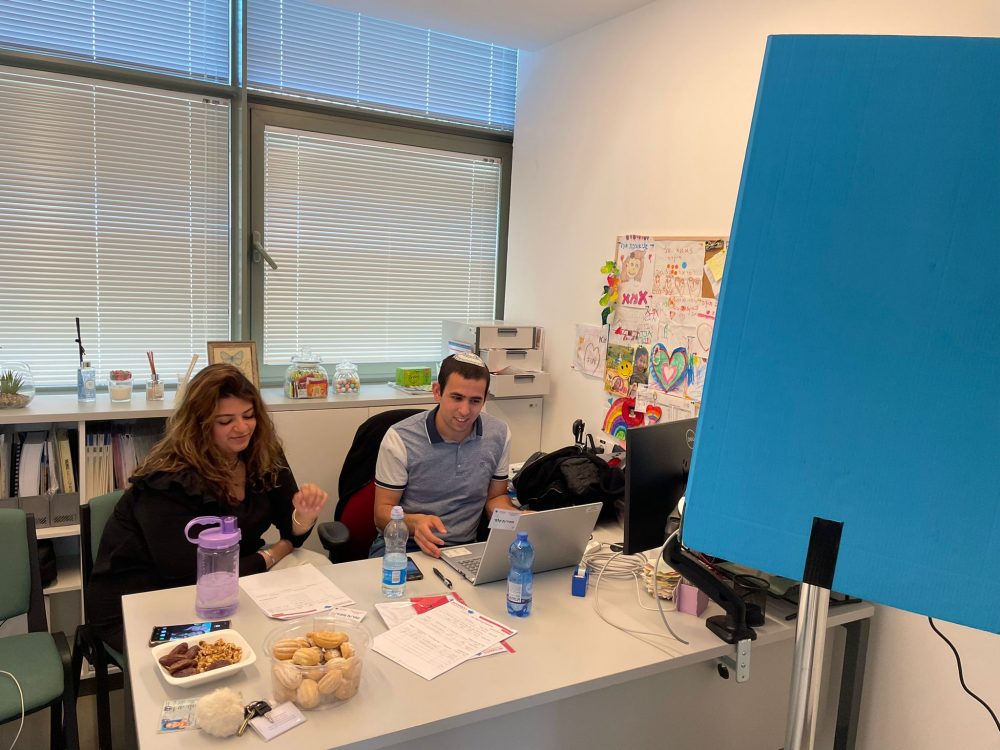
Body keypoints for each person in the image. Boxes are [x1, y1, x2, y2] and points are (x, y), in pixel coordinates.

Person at [85, 364, 329, 652]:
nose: (242, 428)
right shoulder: (169, 478)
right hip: (149, 596)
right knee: (235, 648)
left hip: (232, 578)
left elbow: (291, 533)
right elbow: (186, 573)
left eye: (248, 416)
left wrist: (302, 518)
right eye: (226, 421)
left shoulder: (262, 453)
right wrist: (274, 552)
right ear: (200, 424)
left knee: (314, 582)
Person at [370, 353, 517, 558]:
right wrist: (415, 523)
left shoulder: (499, 434)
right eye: (457, 398)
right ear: (437, 392)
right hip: (404, 545)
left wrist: (518, 519)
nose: (464, 410)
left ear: (485, 399)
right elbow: (381, 514)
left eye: (475, 401)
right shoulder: (400, 438)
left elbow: (495, 498)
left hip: (465, 549)